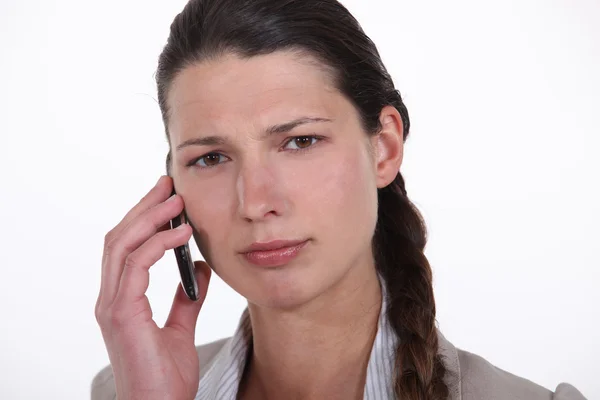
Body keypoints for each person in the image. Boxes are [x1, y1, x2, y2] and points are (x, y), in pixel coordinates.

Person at [91, 0, 588, 399]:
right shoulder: (129, 392)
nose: (256, 202)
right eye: (211, 158)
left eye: (300, 141)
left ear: (384, 148)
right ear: (171, 187)